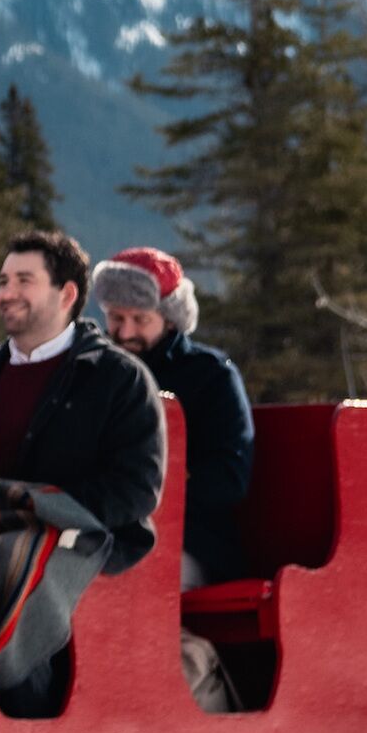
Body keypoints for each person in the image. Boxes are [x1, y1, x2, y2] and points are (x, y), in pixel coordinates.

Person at [0, 228, 169, 716]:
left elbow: (137, 489)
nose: (6, 292)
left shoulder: (119, 378)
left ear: (67, 293)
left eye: (24, 280)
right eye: (3, 280)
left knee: (16, 565)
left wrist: (46, 506)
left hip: (92, 539)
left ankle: (22, 723)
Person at [91, 248, 256, 585]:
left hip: (192, 541)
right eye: (116, 318)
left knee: (114, 581)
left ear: (169, 318)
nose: (125, 333)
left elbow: (229, 476)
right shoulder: (96, 373)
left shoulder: (210, 377)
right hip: (105, 532)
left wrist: (145, 494)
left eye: (140, 320)